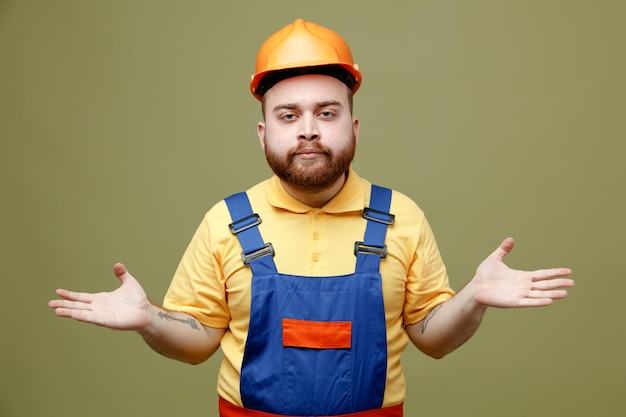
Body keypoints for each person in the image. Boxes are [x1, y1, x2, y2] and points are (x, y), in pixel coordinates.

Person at [48, 18, 574, 417]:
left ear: (354, 127)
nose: (308, 130)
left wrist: (474, 299)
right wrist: (148, 320)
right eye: (288, 115)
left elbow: (431, 338)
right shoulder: (226, 221)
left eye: (326, 112)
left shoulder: (401, 217)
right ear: (263, 134)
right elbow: (198, 342)